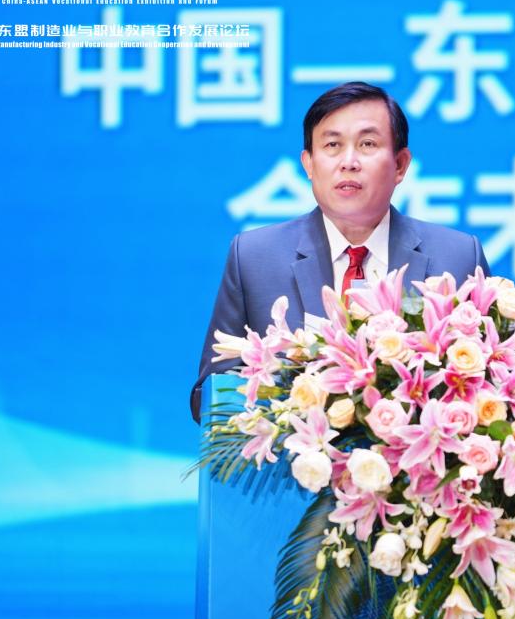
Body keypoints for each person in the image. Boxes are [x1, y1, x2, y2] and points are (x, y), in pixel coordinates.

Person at [190, 82, 490, 421]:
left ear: (400, 164)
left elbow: (490, 389)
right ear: (308, 164)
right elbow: (211, 397)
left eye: (367, 144)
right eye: (332, 145)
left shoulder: (457, 258)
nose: (349, 162)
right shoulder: (254, 257)